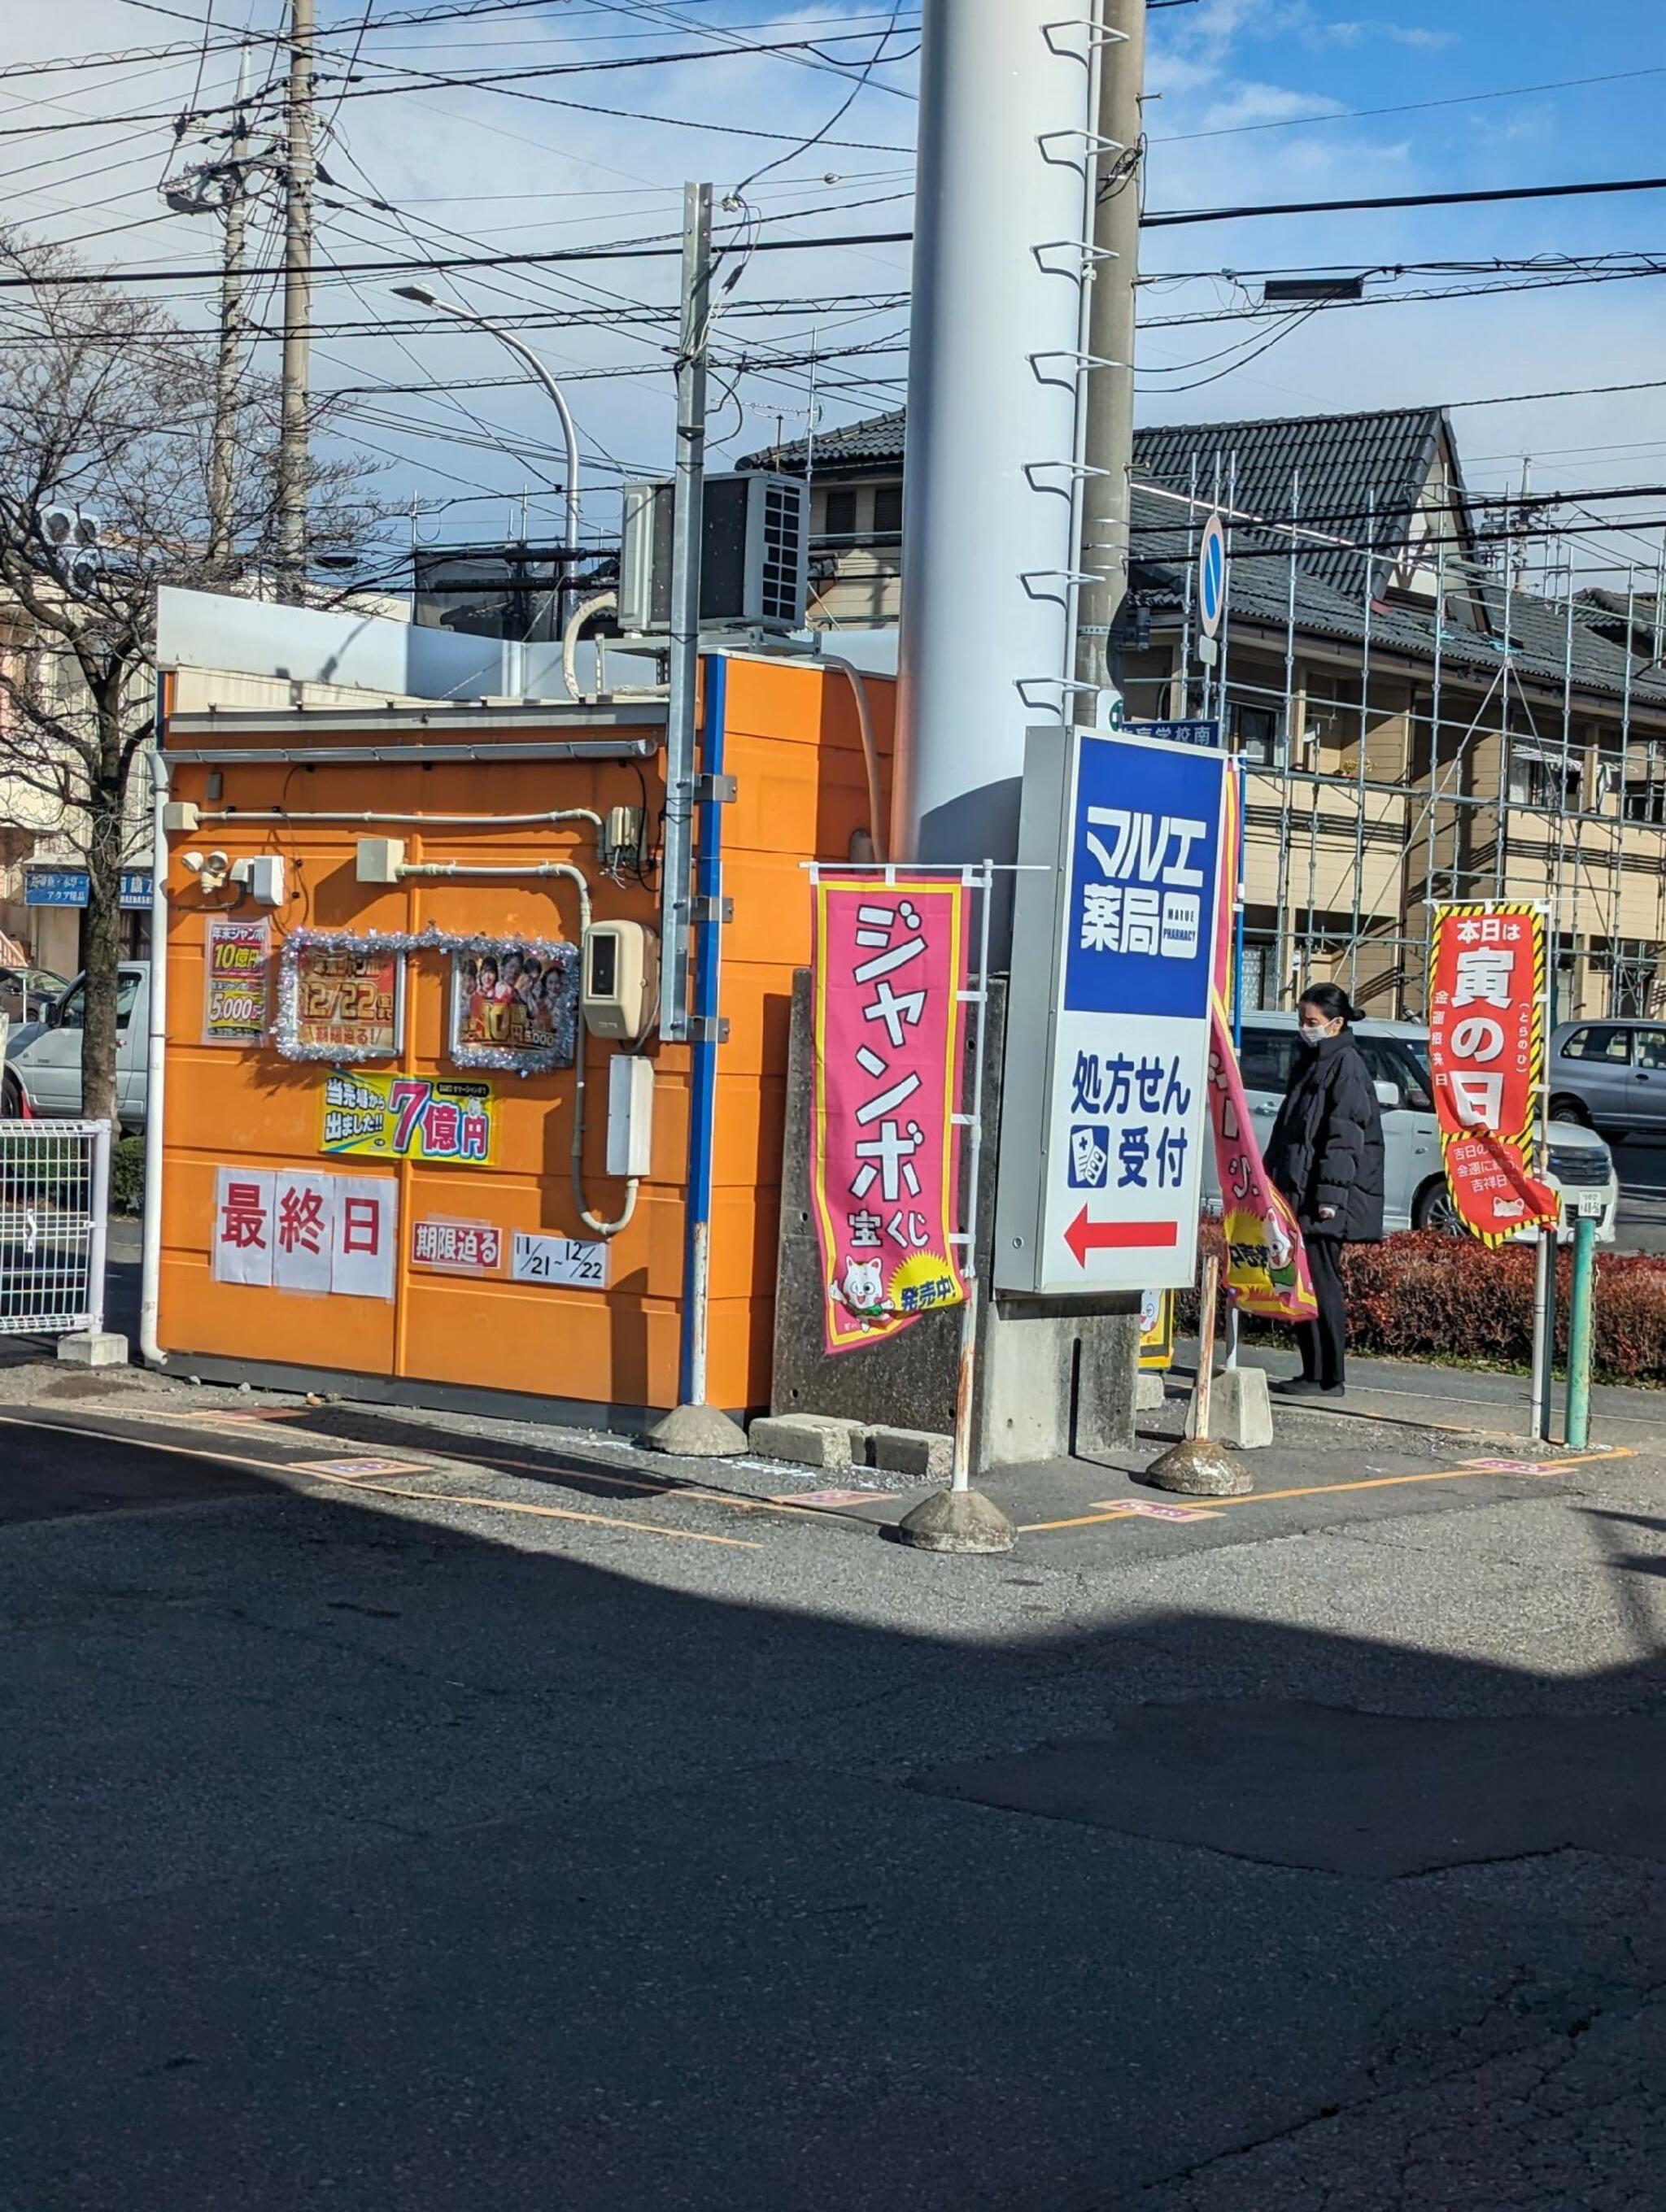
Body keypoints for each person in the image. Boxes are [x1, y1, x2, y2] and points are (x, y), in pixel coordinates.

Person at [1263, 982, 1385, 1398]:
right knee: (1301, 1281)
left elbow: (1344, 1138)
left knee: (1321, 1282)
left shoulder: (1345, 1065)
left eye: (1312, 1021)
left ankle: (1330, 1376)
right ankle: (1311, 1371)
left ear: (1336, 1024)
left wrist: (1330, 1199)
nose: (1304, 1028)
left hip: (1323, 1200)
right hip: (1299, 1193)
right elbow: (1291, 1132)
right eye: (1301, 1020)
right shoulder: (1314, 1060)